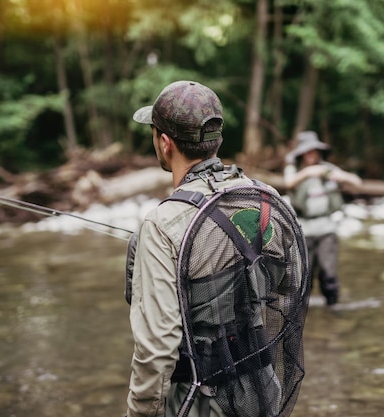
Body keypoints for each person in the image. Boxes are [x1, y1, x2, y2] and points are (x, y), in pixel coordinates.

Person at [126, 81, 309, 417]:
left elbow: (156, 352)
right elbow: (291, 288)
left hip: (199, 399)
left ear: (165, 143)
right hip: (262, 388)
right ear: (216, 139)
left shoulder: (161, 225)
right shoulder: (267, 198)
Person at [283, 130, 362, 306]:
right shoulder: (294, 170)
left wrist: (343, 177)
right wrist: (311, 172)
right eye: (307, 151)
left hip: (327, 229)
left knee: (329, 275)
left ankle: (332, 311)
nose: (311, 154)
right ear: (301, 153)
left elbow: (357, 182)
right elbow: (288, 183)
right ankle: (302, 317)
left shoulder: (328, 169)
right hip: (303, 231)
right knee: (304, 278)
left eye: (314, 150)